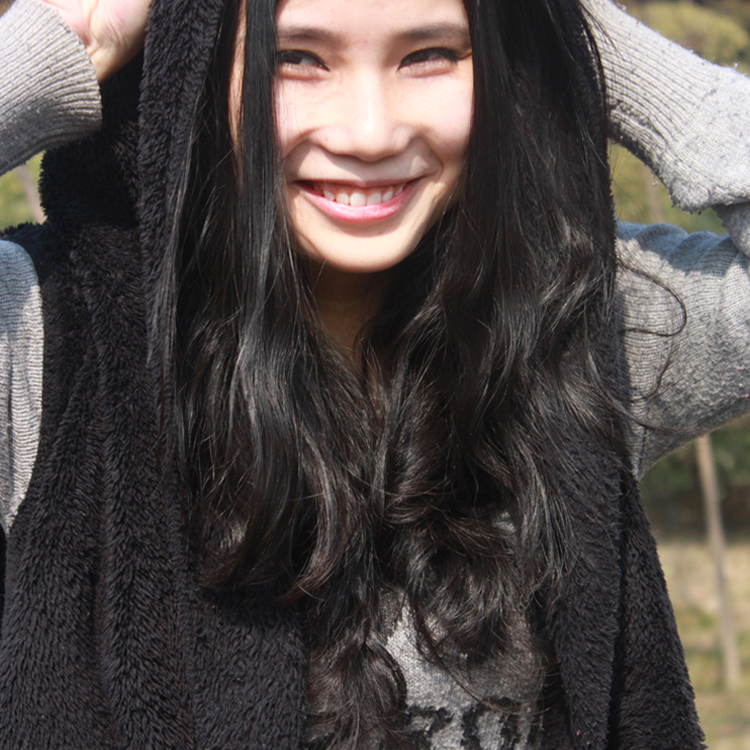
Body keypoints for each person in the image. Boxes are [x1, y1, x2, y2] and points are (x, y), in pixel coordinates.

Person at [2, 0, 750, 747]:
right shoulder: (49, 336)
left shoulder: (571, 320)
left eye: (429, 55)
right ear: (194, 67)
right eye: (296, 58)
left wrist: (570, 34)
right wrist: (69, 38)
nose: (370, 134)